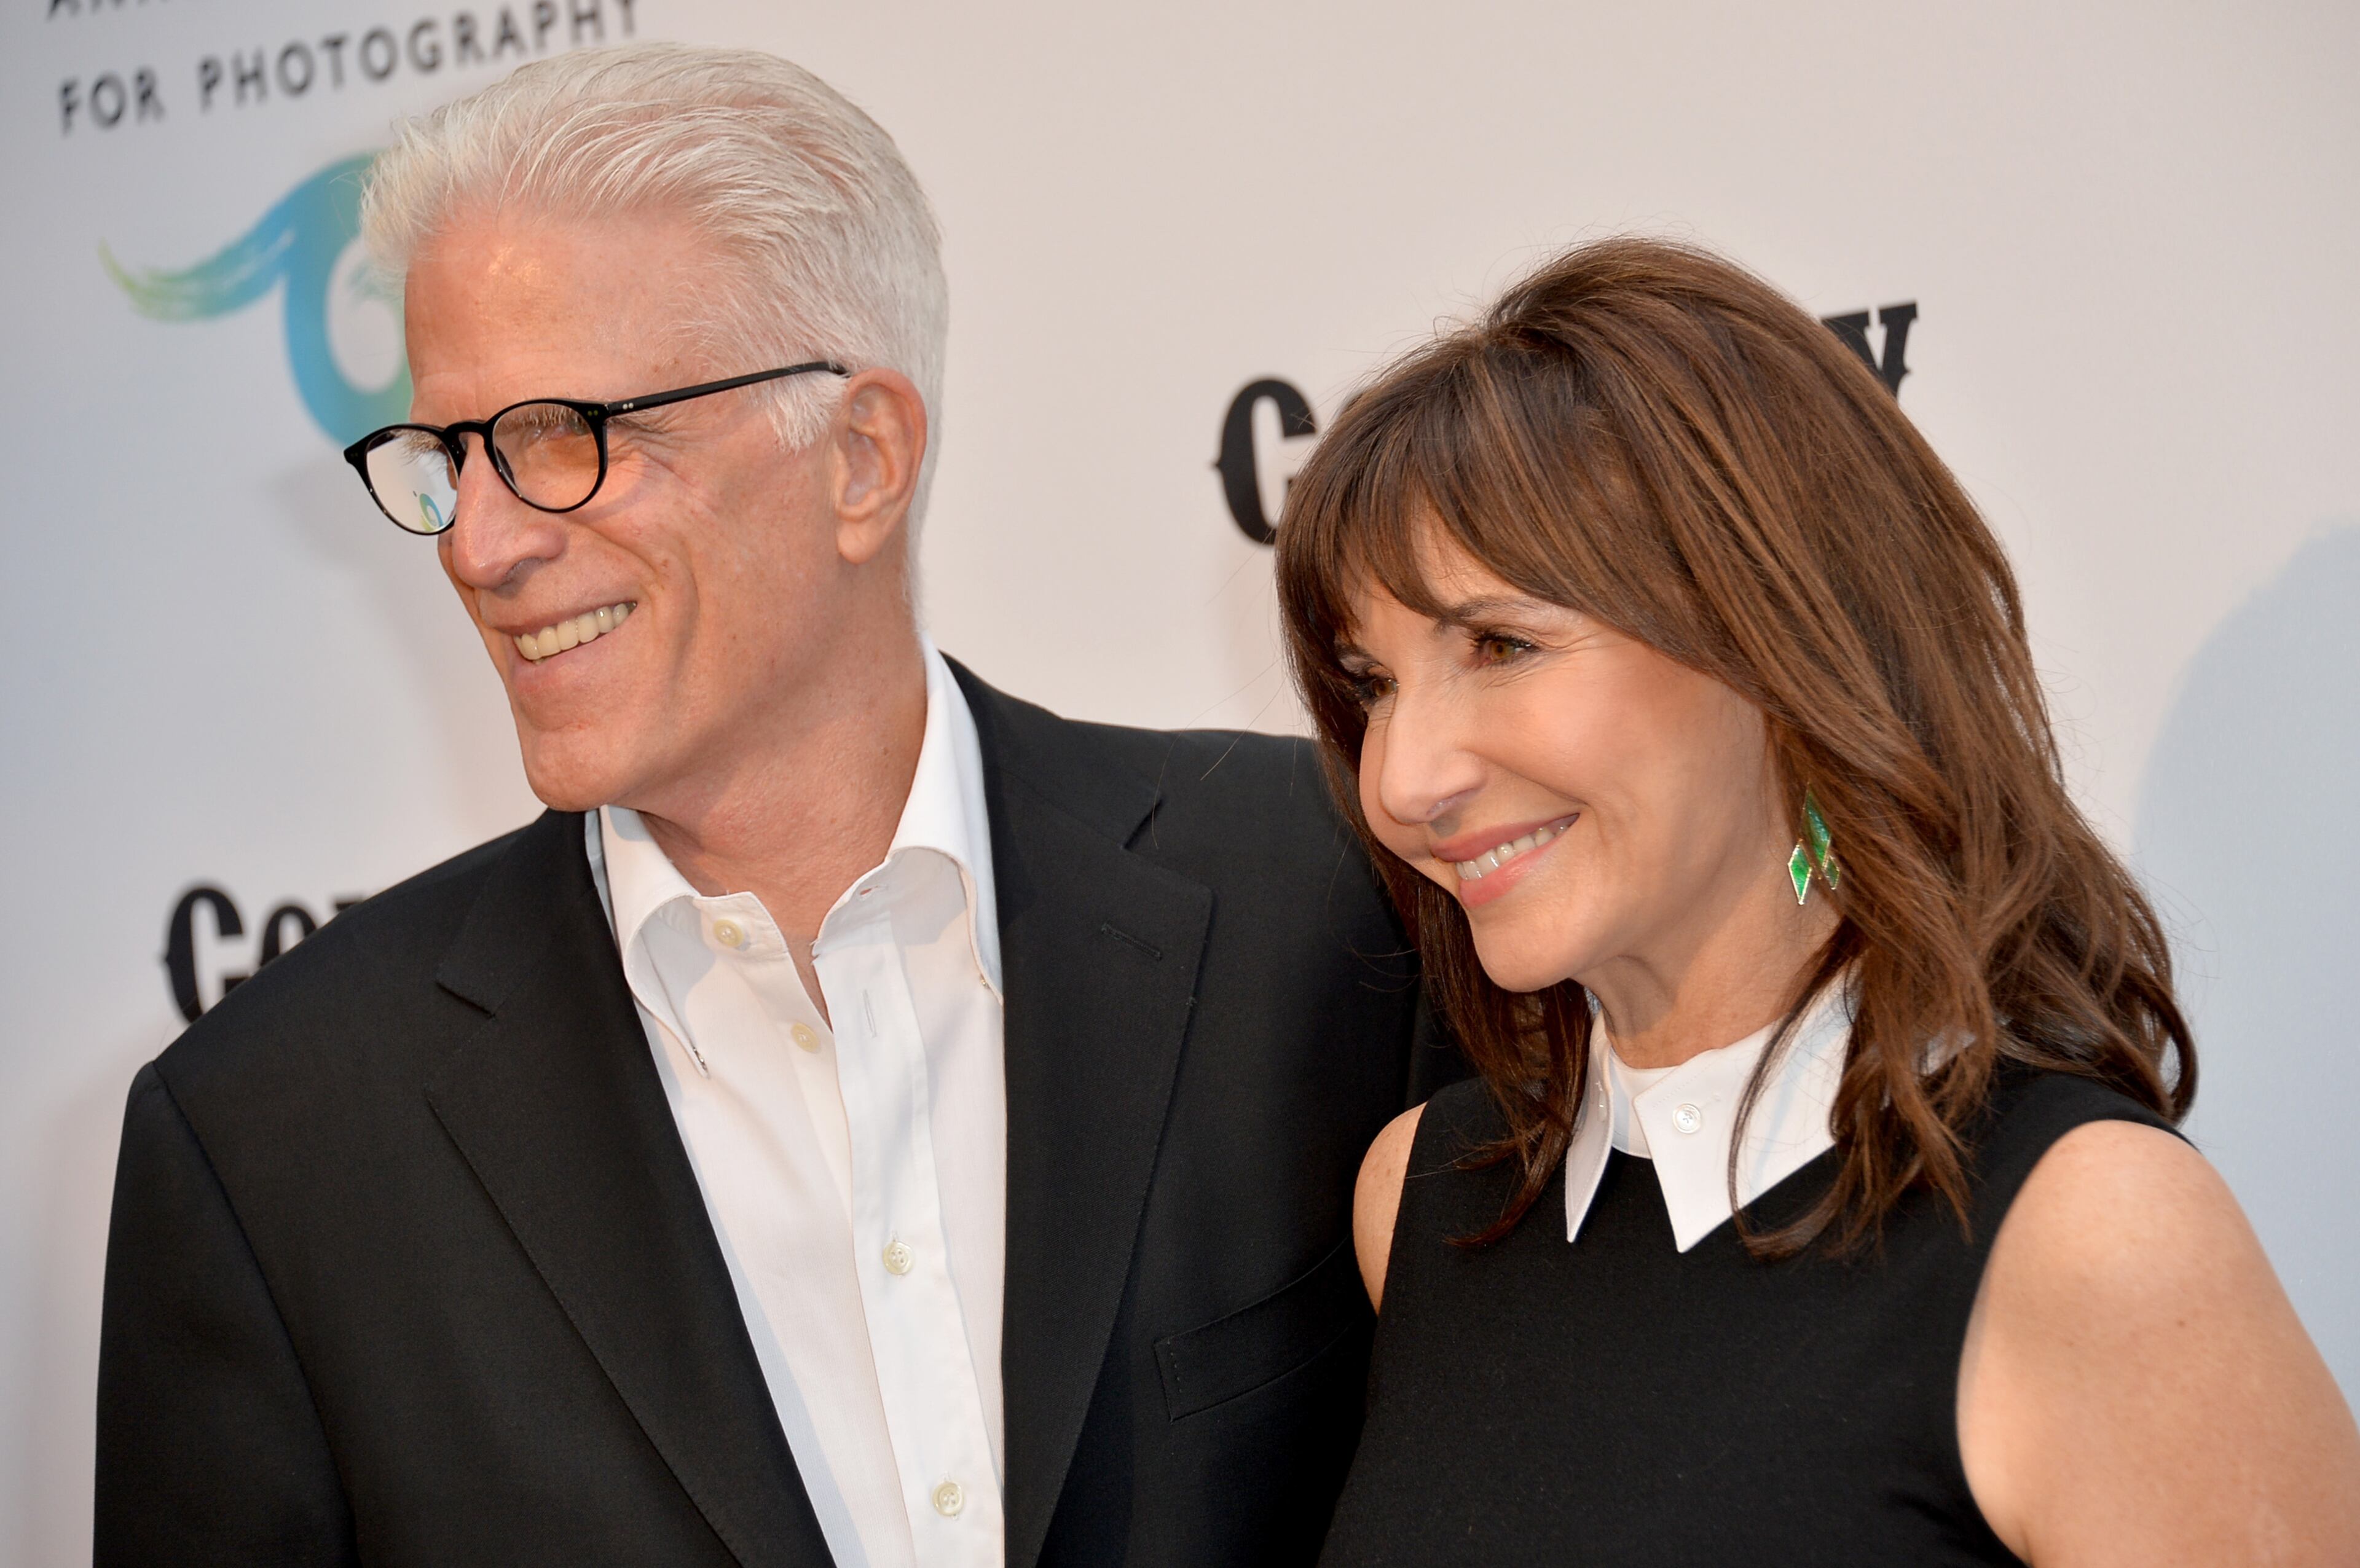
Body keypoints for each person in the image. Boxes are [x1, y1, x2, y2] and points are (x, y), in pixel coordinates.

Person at [94, 44, 1453, 1568]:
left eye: (560, 438)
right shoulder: (271, 1139)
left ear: (862, 457)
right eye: (448, 457)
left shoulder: (1342, 893)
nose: (477, 546)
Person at [1275, 237, 2360, 1565]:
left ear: (1779, 645)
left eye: (1500, 644)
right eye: (1372, 682)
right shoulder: (1428, 1199)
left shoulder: (2084, 1238)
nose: (1403, 777)